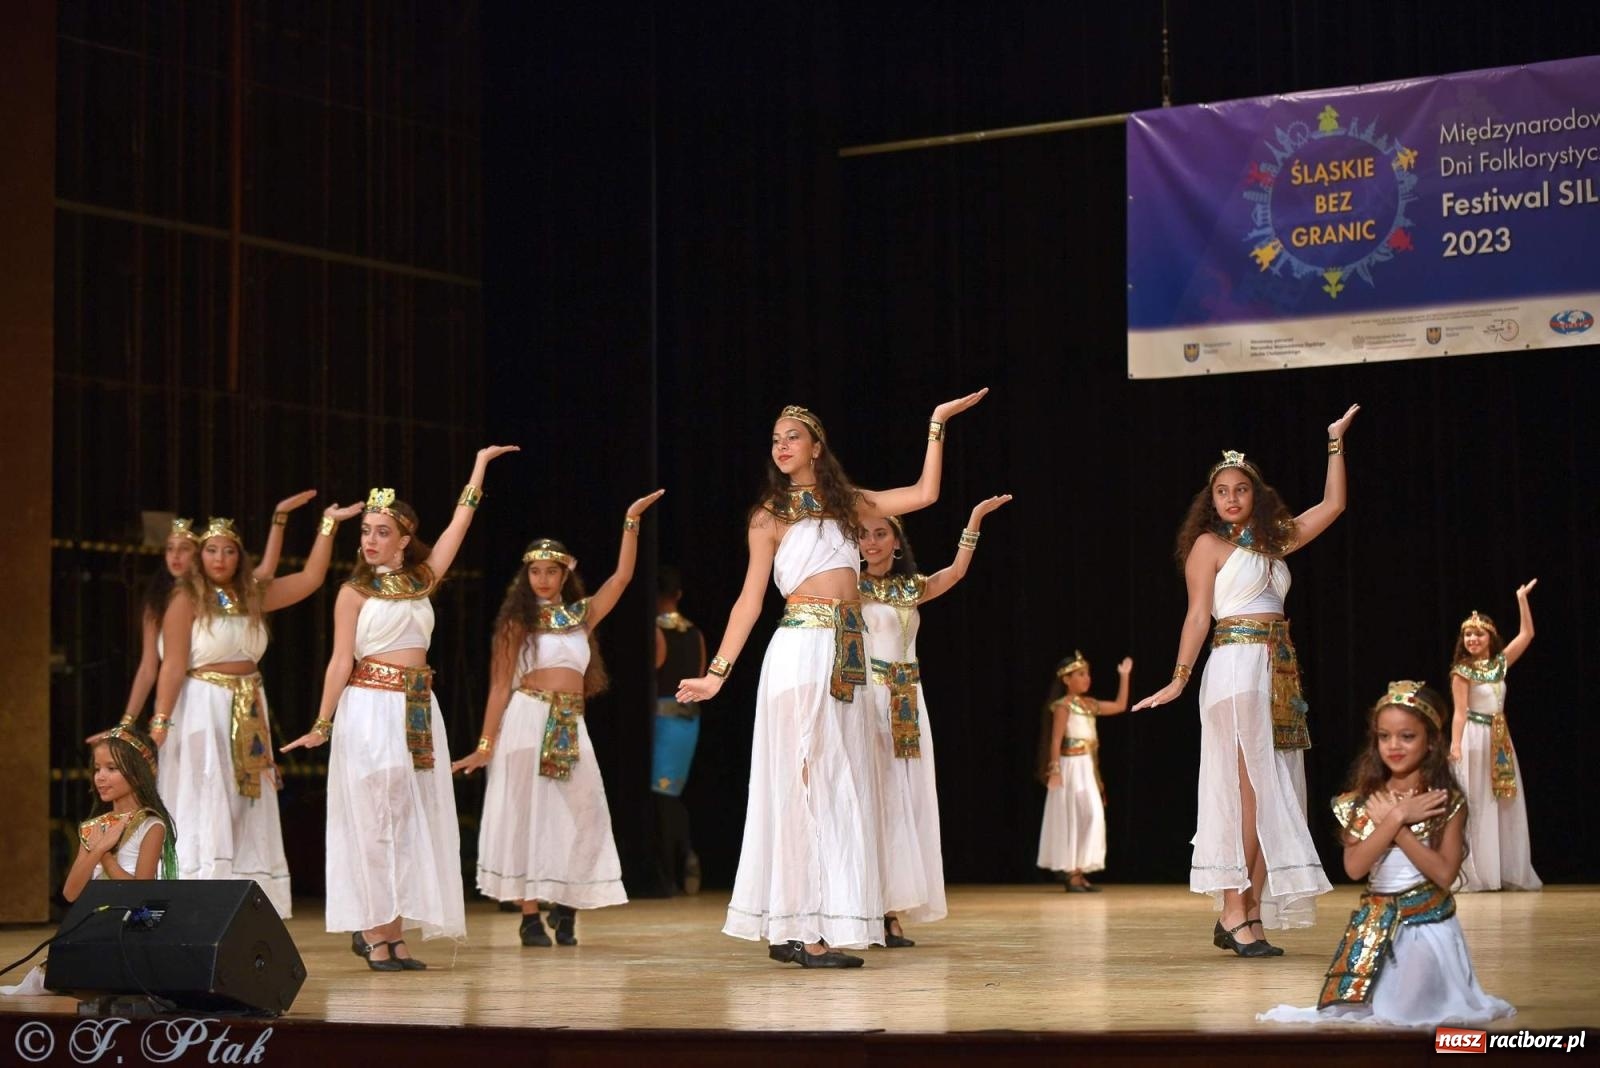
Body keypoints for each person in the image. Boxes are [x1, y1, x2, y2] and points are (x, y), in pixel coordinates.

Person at [677, 392, 988, 968]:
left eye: (791, 435)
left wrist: (936, 423)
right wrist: (717, 673)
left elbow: (924, 494)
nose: (781, 445)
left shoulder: (850, 507)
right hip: (799, 645)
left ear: (816, 447)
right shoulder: (769, 516)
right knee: (802, 781)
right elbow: (749, 600)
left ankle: (801, 923)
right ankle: (798, 927)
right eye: (775, 439)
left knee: (835, 783)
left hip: (848, 651)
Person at [1134, 404, 1358, 955]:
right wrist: (1179, 679)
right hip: (1235, 668)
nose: (1231, 498)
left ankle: (1249, 910)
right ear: (1210, 501)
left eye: (1240, 489)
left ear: (1256, 495)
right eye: (1221, 492)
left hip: (1279, 671)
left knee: (1278, 789)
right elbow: (1195, 615)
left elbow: (1334, 504)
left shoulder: (1274, 541)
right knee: (1248, 795)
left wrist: (1334, 442)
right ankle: (1235, 910)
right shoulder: (1207, 547)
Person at [283, 446, 518, 971]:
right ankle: (373, 931)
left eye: (381, 531)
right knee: (372, 819)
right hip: (368, 708)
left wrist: (478, 465)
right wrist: (322, 723)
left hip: (416, 709)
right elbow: (340, 661)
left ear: (405, 539)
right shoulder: (353, 593)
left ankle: (395, 935)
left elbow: (462, 521)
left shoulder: (425, 579)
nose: (369, 540)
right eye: (365, 531)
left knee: (409, 818)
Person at [453, 490, 663, 947]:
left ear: (565, 572)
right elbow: (497, 686)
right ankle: (529, 914)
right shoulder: (517, 623)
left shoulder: (581, 616)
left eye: (551, 571)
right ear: (526, 575)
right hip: (527, 719)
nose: (542, 579)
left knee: (581, 814)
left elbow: (623, 578)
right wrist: (485, 745)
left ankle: (566, 905)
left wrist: (630, 521)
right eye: (535, 571)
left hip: (570, 722)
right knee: (527, 815)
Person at [1259, 682, 1514, 1027]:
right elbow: (1354, 867)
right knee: (1363, 1018)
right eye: (1384, 736)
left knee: (1410, 1019)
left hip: (1426, 928)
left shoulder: (1443, 802)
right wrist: (1393, 816)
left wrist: (1399, 826)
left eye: (1407, 736)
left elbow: (1444, 875)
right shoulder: (1365, 799)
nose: (1394, 746)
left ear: (1432, 741)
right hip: (1375, 927)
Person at [150, 502, 358, 917]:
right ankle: (198, 891)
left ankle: (243, 895)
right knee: (206, 793)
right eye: (211, 551)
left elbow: (312, 578)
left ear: (239, 556)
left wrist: (328, 525)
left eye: (228, 551)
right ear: (200, 556)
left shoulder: (252, 595)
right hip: (202, 705)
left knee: (248, 796)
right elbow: (172, 665)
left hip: (247, 704)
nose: (220, 559)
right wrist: (159, 723)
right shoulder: (185, 599)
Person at [859, 495, 1010, 944]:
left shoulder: (911, 587)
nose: (871, 542)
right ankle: (864, 906)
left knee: (906, 798)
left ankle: (891, 907)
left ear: (896, 540)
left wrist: (974, 519)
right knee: (874, 796)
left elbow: (957, 572)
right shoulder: (850, 586)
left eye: (881, 533)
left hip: (908, 698)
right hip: (870, 698)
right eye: (864, 534)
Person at [89, 493, 316, 743]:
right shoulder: (158, 603)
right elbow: (149, 668)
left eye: (184, 549)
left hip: (234, 695)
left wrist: (279, 519)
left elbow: (265, 572)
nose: (175, 557)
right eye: (170, 549)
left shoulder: (222, 595)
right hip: (191, 696)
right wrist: (127, 723)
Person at [2, 728, 177, 997]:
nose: (100, 778)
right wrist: (98, 848)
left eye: (111, 769)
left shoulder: (151, 825)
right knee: (49, 977)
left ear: (137, 772)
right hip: (96, 921)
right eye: (97, 769)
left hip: (130, 926)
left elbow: (142, 894)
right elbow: (71, 892)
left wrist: (106, 855)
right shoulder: (95, 828)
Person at [1450, 581, 1541, 891]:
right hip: (1474, 738)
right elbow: (1459, 712)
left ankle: (1501, 869)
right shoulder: (1462, 671)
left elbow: (1527, 635)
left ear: (1490, 637)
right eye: (1468, 634)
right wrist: (1455, 746)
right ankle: (1475, 872)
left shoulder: (1499, 664)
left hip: (1500, 740)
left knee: (1501, 802)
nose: (1473, 638)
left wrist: (1521, 600)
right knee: (1477, 802)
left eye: (1479, 633)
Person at [1037, 650, 1132, 892]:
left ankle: (1079, 871)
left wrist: (1124, 676)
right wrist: (1055, 769)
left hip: (1087, 768)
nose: (1087, 678)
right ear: (1067, 679)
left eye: (1087, 674)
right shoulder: (1062, 706)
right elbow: (1056, 740)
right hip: (1069, 766)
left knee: (1092, 815)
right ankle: (1072, 873)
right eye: (1081, 674)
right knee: (1072, 817)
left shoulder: (1089, 705)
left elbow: (1121, 706)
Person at [653, 564, 706, 895]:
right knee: (670, 794)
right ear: (678, 595)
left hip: (661, 719)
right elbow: (700, 675)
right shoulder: (695, 633)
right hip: (688, 719)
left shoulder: (656, 632)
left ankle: (670, 866)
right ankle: (684, 855)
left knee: (661, 795)